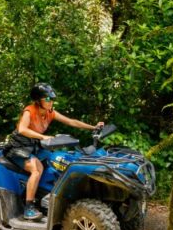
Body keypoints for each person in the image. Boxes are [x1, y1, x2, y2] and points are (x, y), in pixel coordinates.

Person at [6, 83, 104, 220]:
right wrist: (43, 137)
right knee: (37, 169)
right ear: (38, 100)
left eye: (51, 99)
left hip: (34, 145)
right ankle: (29, 207)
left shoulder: (49, 112)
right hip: (19, 147)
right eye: (47, 99)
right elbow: (22, 129)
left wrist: (93, 127)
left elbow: (71, 122)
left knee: (55, 160)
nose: (50, 102)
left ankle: (46, 194)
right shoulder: (29, 111)